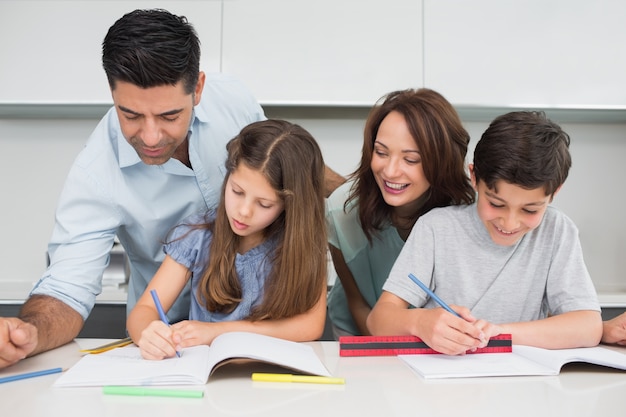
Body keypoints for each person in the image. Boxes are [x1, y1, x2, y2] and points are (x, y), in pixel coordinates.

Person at [0, 8, 344, 369]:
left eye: (169, 116)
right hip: (169, 347)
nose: (150, 137)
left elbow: (280, 163)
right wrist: (26, 333)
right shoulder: (96, 174)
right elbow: (64, 290)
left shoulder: (232, 100)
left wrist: (355, 191)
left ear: (197, 88)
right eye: (130, 115)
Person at [367, 111, 603, 354]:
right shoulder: (436, 228)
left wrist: (499, 332)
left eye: (530, 209)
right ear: (474, 177)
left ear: (555, 193)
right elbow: (378, 320)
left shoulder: (557, 231)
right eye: (496, 204)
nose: (510, 223)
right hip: (440, 383)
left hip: (522, 382)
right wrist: (420, 322)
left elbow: (588, 326)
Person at [127, 119, 328, 359]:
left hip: (269, 379)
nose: (243, 211)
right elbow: (144, 311)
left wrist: (218, 332)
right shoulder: (198, 236)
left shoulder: (303, 245)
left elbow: (311, 326)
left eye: (264, 204)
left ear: (290, 206)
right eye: (237, 191)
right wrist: (149, 334)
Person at [326, 88, 475, 337]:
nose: (391, 171)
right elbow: (358, 303)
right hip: (359, 336)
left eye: (411, 159)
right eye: (381, 153)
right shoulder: (342, 210)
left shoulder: (471, 213)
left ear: (443, 161)